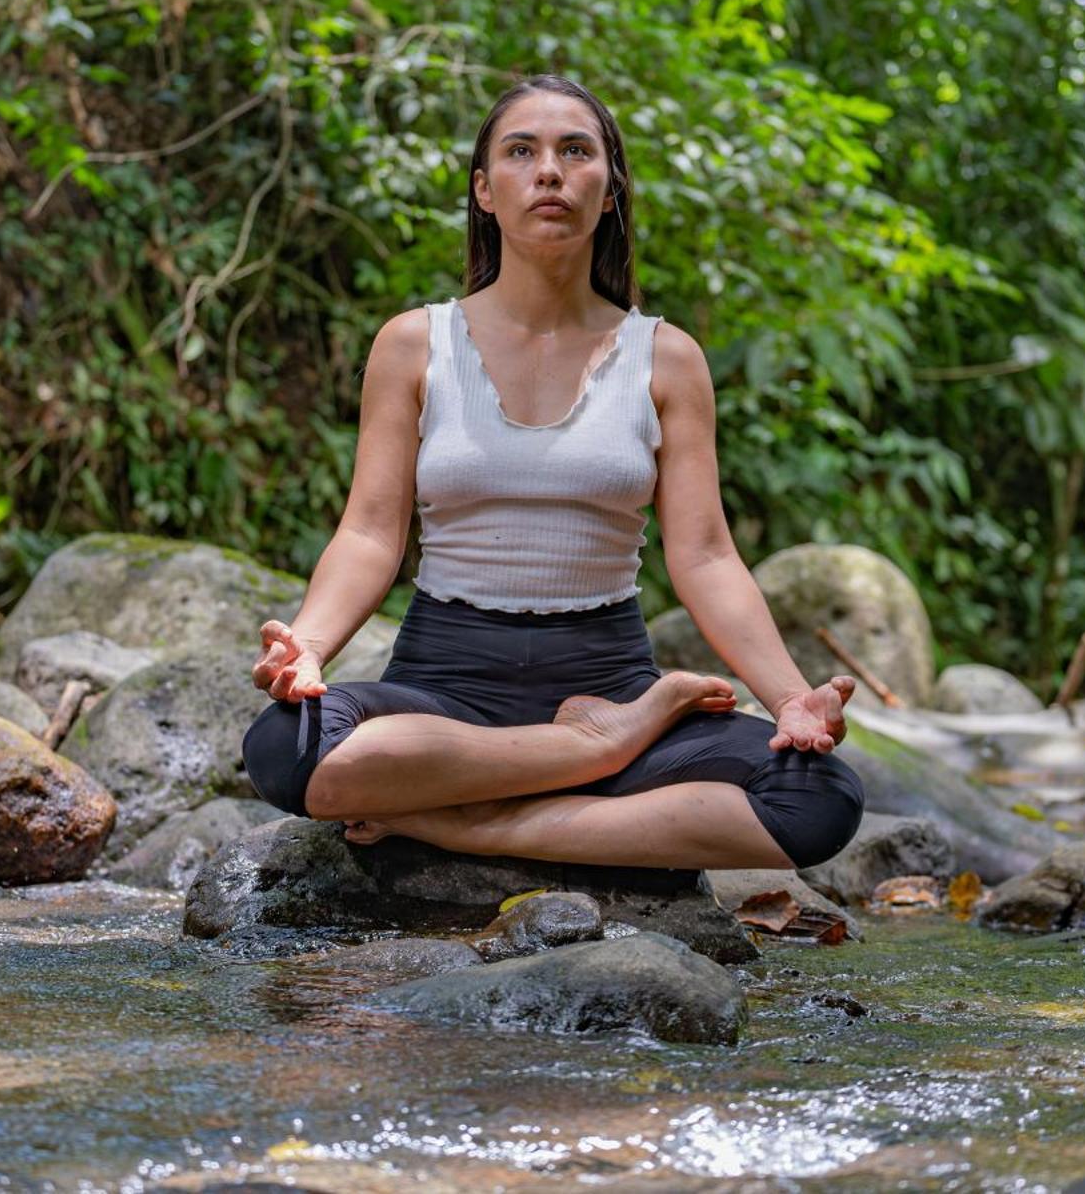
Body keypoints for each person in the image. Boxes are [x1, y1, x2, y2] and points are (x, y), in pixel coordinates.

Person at [241, 74, 865, 871]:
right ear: (485, 191)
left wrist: (788, 698)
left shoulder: (666, 358)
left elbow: (706, 556)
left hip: (606, 678)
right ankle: (589, 763)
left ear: (608, 192)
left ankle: (469, 822)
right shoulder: (414, 344)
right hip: (445, 684)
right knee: (284, 749)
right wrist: (312, 648)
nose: (549, 170)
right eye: (521, 151)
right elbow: (369, 531)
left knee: (818, 800)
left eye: (576, 150)